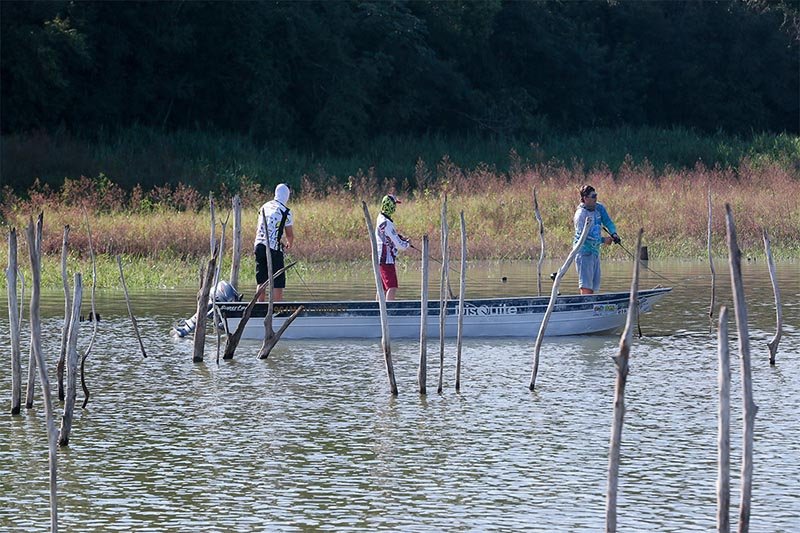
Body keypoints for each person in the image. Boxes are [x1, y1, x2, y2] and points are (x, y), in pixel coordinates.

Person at [573, 184, 620, 295]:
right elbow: (583, 238)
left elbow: (607, 221)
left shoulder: (599, 208)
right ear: (585, 198)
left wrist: (614, 234)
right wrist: (603, 240)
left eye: (596, 195)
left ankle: (592, 303)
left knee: (594, 286)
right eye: (593, 196)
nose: (596, 198)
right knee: (586, 286)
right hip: (583, 253)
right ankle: (586, 304)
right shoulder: (580, 215)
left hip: (595, 252)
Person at [254, 183, 294, 301]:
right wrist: (288, 245)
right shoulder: (285, 211)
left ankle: (259, 306)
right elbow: (290, 235)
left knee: (261, 280)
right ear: (286, 195)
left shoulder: (264, 206)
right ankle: (277, 307)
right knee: (278, 281)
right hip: (273, 249)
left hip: (259, 245)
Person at [375, 194, 410, 301]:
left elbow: (388, 236)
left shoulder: (380, 218)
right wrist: (407, 243)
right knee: (392, 286)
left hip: (380, 257)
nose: (395, 208)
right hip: (386, 259)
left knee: (382, 287)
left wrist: (399, 237)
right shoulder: (387, 223)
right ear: (390, 206)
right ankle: (389, 308)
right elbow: (399, 245)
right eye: (394, 205)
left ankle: (377, 307)